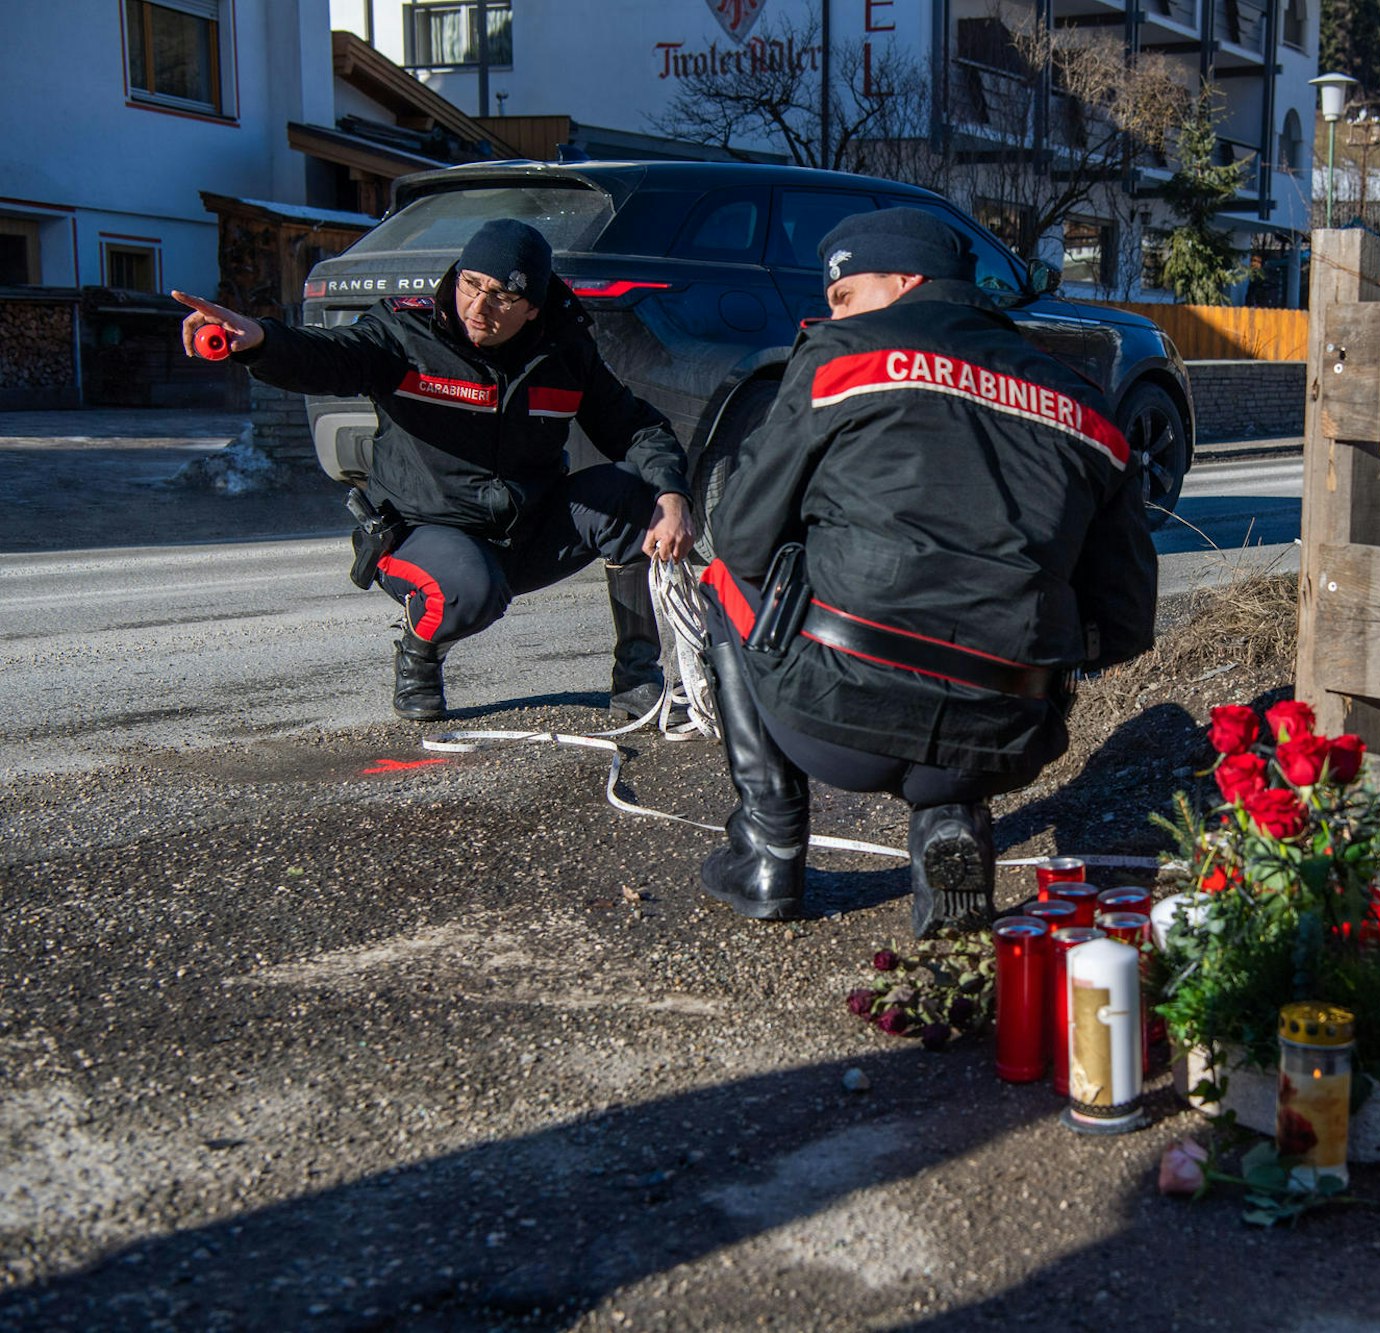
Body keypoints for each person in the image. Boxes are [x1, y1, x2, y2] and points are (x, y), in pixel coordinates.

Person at [696, 207, 1157, 937]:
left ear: (905, 281)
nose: (833, 311)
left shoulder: (840, 357)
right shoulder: (1085, 403)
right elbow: (1127, 621)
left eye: (844, 295)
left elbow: (743, 535)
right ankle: (951, 821)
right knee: (979, 647)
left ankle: (768, 848)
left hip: (838, 721)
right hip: (1006, 732)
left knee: (721, 576)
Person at [173, 219, 695, 722]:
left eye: (503, 297)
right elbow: (329, 356)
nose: (479, 306)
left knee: (633, 496)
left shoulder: (565, 352)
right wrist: (260, 340)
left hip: (522, 531)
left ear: (534, 309)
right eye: (471, 284)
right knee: (471, 588)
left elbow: (636, 428)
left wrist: (672, 495)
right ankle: (419, 653)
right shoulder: (405, 333)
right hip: (422, 533)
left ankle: (636, 680)